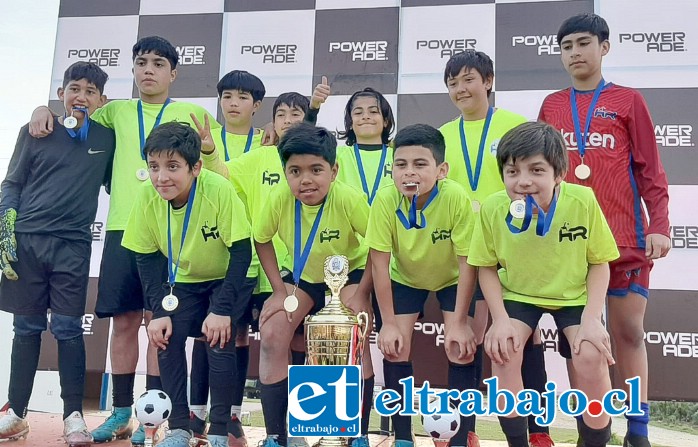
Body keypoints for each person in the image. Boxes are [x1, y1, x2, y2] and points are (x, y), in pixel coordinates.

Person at [28, 35, 221, 446]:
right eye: (140, 63)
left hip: (172, 234)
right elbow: (72, 117)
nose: (147, 70)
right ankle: (120, 413)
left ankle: (159, 417)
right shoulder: (113, 111)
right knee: (125, 323)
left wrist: (211, 147)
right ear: (132, 70)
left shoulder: (192, 113)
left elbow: (219, 165)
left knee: (160, 325)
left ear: (173, 72)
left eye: (157, 63)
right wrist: (41, 108)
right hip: (122, 231)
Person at [538, 13, 670, 447]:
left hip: (624, 237)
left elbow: (650, 169)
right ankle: (592, 430)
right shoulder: (551, 107)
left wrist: (661, 224)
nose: (574, 53)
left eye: (583, 44)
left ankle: (638, 431)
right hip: (570, 243)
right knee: (584, 342)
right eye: (566, 47)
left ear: (604, 47)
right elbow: (542, 174)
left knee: (629, 332)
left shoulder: (629, 100)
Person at [468, 121, 619, 447]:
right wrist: (501, 319)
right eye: (512, 171)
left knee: (591, 356)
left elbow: (600, 263)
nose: (523, 181)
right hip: (519, 295)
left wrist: (593, 319)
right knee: (503, 351)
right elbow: (486, 268)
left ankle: (594, 442)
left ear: (558, 173)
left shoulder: (582, 201)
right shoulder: (494, 207)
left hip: (574, 295)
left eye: (536, 170)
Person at [0, 62, 115, 446]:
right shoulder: (34, 131)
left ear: (101, 100)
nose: (80, 96)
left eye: (89, 91)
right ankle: (16, 413)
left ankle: (74, 417)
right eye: (74, 88)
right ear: (63, 92)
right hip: (27, 242)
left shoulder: (107, 139)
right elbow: (12, 184)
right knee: (26, 330)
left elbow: (121, 186)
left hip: (73, 246)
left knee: (67, 330)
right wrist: (5, 230)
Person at [121, 122, 252, 447]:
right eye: (154, 166)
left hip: (227, 279)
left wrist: (222, 309)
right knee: (164, 337)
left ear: (195, 167)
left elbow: (241, 251)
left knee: (219, 340)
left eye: (173, 166)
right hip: (184, 281)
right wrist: (156, 312)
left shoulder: (218, 189)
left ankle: (220, 430)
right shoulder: (147, 197)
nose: (161, 177)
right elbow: (147, 259)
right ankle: (180, 427)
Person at [191, 90, 309, 447]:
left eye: (297, 114)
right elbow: (223, 174)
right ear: (271, 122)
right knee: (233, 336)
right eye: (282, 114)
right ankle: (223, 419)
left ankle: (293, 427)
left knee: (293, 342)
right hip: (248, 266)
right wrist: (210, 151)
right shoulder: (258, 156)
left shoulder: (313, 159)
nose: (289, 120)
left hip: (293, 269)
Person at [440, 50, 545, 447]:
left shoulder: (517, 127)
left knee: (525, 339)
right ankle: (462, 433)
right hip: (460, 251)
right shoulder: (442, 136)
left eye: (468, 79)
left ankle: (538, 432)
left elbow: (538, 182)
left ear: (488, 80)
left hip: (511, 248)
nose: (460, 89)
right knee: (464, 335)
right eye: (452, 83)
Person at [253, 123, 373, 447]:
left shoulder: (348, 198)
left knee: (353, 331)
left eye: (316, 169)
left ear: (333, 171)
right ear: (285, 172)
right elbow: (261, 239)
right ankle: (277, 435)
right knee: (272, 334)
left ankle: (356, 434)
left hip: (350, 274)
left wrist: (362, 294)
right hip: (303, 276)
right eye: (295, 171)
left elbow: (377, 244)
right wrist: (279, 291)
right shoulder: (279, 198)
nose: (305, 179)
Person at [365, 124, 477, 447]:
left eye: (420, 164)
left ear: (442, 170)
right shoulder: (386, 201)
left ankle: (462, 436)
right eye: (400, 165)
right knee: (395, 346)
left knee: (460, 348)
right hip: (405, 278)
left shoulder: (455, 197)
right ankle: (402, 436)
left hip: (452, 279)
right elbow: (380, 265)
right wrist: (387, 324)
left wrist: (456, 323)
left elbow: (467, 263)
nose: (408, 173)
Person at [187, 69, 266, 447]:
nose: (233, 103)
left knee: (240, 336)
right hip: (210, 252)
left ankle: (232, 414)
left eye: (242, 97)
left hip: (253, 256)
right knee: (209, 333)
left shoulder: (268, 144)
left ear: (257, 105)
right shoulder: (205, 139)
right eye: (227, 96)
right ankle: (195, 414)